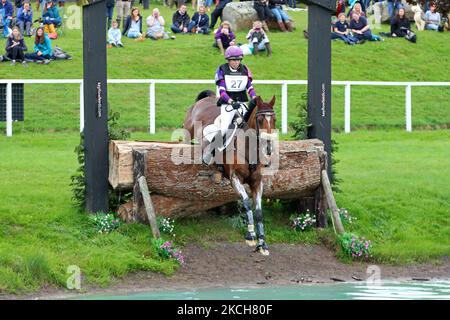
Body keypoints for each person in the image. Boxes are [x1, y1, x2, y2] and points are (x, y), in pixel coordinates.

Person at [202, 45, 258, 165]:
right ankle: (211, 153)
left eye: (238, 59)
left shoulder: (244, 70)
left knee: (253, 125)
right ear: (228, 60)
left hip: (242, 103)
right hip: (228, 105)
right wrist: (231, 102)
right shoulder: (222, 70)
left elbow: (249, 87)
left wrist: (254, 97)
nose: (236, 62)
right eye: (234, 60)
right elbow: (222, 92)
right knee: (225, 129)